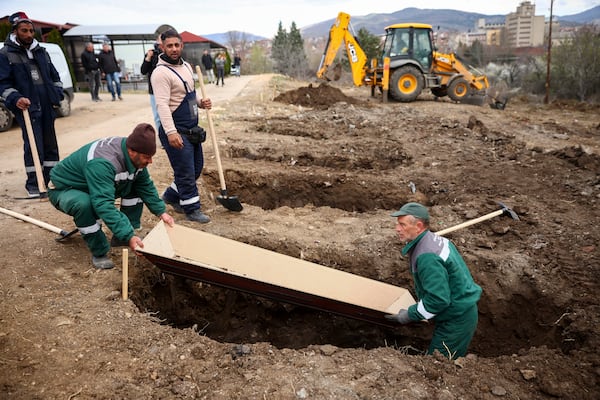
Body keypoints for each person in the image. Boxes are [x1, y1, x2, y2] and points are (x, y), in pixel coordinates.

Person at [47, 123, 175, 270]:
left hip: (93, 184)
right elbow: (103, 204)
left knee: (135, 185)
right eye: (147, 157)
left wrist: (161, 212)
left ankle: (122, 238)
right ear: (132, 151)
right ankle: (99, 250)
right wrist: (129, 235)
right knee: (84, 204)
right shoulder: (103, 162)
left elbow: (145, 185)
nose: (150, 161)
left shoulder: (133, 153)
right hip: (66, 189)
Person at [385, 202, 482, 359]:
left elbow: (438, 300)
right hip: (458, 310)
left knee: (439, 365)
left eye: (402, 225)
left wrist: (409, 315)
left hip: (456, 319)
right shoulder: (434, 241)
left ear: (418, 226)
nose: (397, 228)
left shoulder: (427, 257)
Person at [150, 29, 212, 224]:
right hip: (176, 130)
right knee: (185, 171)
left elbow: (187, 96)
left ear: (182, 45)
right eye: (169, 46)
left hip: (191, 130)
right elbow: (162, 106)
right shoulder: (160, 73)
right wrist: (171, 132)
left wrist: (201, 102)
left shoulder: (186, 66)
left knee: (196, 167)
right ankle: (192, 208)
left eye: (177, 45)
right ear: (163, 47)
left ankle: (171, 195)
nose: (174, 49)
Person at [0, 11, 64, 198]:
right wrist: (16, 98)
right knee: (34, 146)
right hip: (28, 109)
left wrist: (57, 94)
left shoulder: (41, 52)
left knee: (51, 145)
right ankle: (35, 185)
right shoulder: (5, 54)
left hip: (47, 106)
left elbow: (55, 77)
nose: (28, 34)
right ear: (15, 31)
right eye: (24, 30)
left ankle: (51, 181)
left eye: (30, 30)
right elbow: (2, 84)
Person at [141, 35, 162, 130]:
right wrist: (148, 58)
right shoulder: (151, 54)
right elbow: (143, 71)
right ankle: (162, 140)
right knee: (158, 116)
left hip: (169, 89)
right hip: (154, 90)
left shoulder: (170, 53)